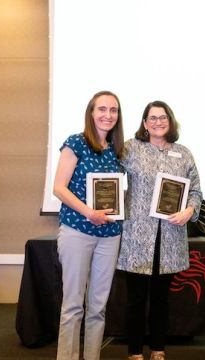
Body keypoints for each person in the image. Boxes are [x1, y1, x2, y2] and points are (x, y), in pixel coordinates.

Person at [116, 100, 203, 360]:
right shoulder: (130, 149)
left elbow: (196, 191)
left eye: (162, 117)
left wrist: (189, 211)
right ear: (144, 123)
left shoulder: (184, 153)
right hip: (136, 237)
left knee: (161, 300)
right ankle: (134, 352)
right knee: (135, 300)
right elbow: (109, 177)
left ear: (170, 121)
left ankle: (158, 349)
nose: (158, 122)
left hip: (170, 237)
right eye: (152, 118)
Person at [53, 90, 125, 360]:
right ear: (91, 112)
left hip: (110, 235)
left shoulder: (119, 151)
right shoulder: (76, 143)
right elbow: (59, 188)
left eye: (113, 110)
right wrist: (89, 212)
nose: (108, 115)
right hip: (77, 231)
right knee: (73, 306)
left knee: (98, 307)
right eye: (102, 109)